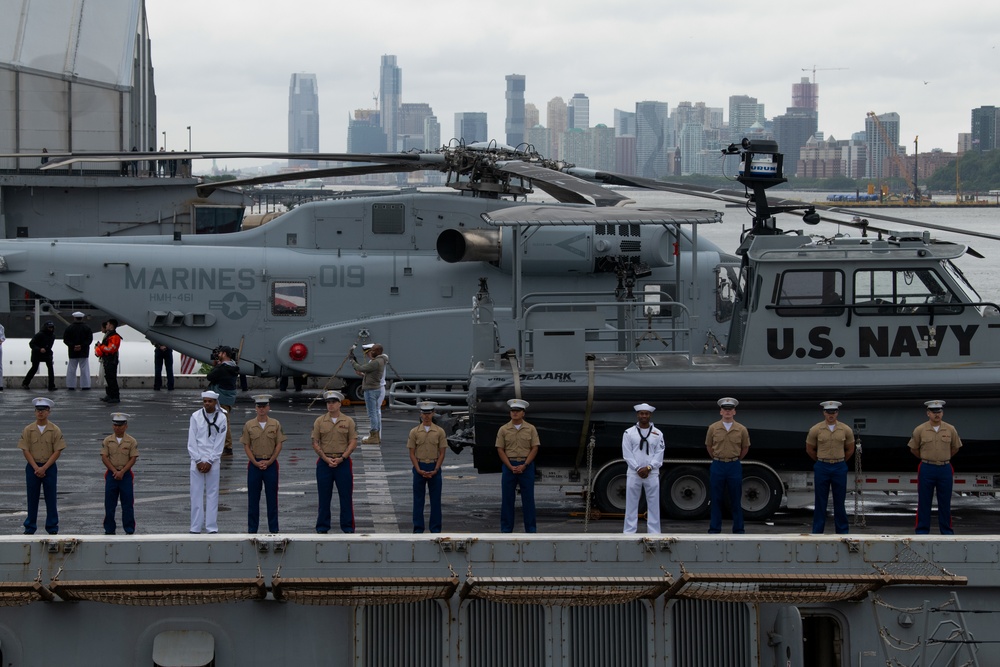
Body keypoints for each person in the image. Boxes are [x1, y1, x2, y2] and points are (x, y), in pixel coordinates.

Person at [908, 400, 963, 534]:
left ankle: (946, 532)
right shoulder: (920, 430)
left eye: (939, 412)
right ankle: (922, 531)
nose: (936, 414)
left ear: (942, 413)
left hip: (944, 468)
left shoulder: (950, 429)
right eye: (933, 412)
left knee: (945, 502)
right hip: (927, 468)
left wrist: (944, 457)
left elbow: (955, 447)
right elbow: (914, 448)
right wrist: (927, 457)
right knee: (924, 501)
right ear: (928, 413)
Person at [805, 400, 856, 534]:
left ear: (837, 413)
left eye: (833, 412)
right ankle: (817, 532)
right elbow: (810, 449)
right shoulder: (816, 429)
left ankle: (842, 532)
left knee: (840, 501)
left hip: (839, 466)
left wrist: (840, 460)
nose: (831, 415)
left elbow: (850, 449)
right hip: (822, 466)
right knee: (820, 501)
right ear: (824, 413)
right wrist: (821, 460)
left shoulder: (845, 429)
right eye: (828, 412)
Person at [311, 390, 358, 533]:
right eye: (328, 402)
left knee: (346, 496)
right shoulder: (320, 421)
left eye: (333, 402)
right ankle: (322, 526)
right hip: (324, 462)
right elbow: (315, 442)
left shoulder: (348, 421)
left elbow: (353, 442)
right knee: (324, 497)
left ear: (339, 404)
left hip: (342, 462)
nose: (330, 405)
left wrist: (342, 458)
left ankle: (348, 527)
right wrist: (325, 459)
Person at [18, 397, 65, 534]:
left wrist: (44, 468)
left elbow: (58, 450)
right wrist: (35, 467)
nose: (40, 413)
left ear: (48, 412)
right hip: (33, 466)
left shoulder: (55, 430)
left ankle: (52, 527)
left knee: (51, 498)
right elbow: (25, 450)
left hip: (49, 467)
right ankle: (30, 527)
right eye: (38, 410)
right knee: (32, 497)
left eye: (43, 410)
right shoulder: (28, 429)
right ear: (35, 412)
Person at [241, 394, 287, 533]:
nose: (261, 409)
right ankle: (252, 530)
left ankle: (274, 529)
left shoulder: (275, 424)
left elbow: (279, 444)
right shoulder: (249, 425)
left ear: (268, 407)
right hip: (254, 464)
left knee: (272, 499)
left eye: (264, 406)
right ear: (255, 408)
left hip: (271, 464)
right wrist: (255, 462)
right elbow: (246, 445)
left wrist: (270, 460)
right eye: (259, 406)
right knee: (253, 499)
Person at [705, 397, 750, 534]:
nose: (727, 412)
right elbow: (709, 446)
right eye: (725, 409)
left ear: (734, 412)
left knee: (735, 499)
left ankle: (738, 529)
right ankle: (714, 529)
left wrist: (735, 459)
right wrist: (717, 458)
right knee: (716, 499)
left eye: (730, 409)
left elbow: (745, 448)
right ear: (721, 411)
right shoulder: (713, 428)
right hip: (718, 464)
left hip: (734, 465)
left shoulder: (741, 429)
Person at [496, 398, 540, 533]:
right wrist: (510, 466)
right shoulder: (503, 429)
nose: (514, 413)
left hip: (526, 466)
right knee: (507, 499)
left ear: (523, 413)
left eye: (518, 411)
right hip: (510, 465)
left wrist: (525, 465)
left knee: (528, 500)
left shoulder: (530, 429)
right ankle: (506, 530)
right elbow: (500, 449)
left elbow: (534, 448)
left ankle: (531, 530)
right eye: (512, 411)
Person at [622, 402, 666, 534]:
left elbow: (660, 452)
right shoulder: (629, 433)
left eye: (646, 414)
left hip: (651, 472)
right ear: (637, 415)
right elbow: (627, 453)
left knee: (653, 503)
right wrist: (637, 468)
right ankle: (629, 532)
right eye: (641, 413)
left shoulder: (658, 433)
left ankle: (654, 532)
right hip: (634, 472)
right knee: (631, 503)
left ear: (650, 415)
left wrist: (649, 467)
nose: (644, 416)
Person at [188, 390, 228, 533]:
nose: (207, 404)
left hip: (214, 460)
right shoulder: (195, 416)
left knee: (213, 494)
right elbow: (191, 440)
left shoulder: (222, 417)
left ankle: (211, 527)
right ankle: (195, 527)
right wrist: (198, 460)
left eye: (210, 401)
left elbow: (220, 442)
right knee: (196, 494)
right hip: (196, 459)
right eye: (205, 401)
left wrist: (210, 461)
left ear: (215, 402)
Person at [407, 401, 448, 533]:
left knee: (435, 501)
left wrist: (436, 469)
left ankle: (435, 529)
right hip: (420, 465)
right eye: (424, 413)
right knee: (418, 500)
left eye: (429, 413)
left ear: (433, 413)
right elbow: (412, 453)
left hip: (434, 465)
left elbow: (442, 453)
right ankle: (418, 529)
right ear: (420, 414)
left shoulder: (439, 431)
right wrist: (418, 469)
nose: (426, 416)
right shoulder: (414, 432)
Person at [101, 412, 138, 535]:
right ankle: (109, 529)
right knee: (109, 504)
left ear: (126, 426)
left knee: (127, 504)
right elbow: (104, 457)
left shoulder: (131, 441)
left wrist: (122, 471)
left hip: (125, 475)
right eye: (115, 425)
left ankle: (129, 529)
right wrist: (114, 471)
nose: (117, 428)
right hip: (111, 474)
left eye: (120, 425)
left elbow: (133, 458)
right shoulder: (108, 440)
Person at [350, 343, 388, 444]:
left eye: (369, 353)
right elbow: (372, 374)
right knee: (376, 412)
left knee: (374, 413)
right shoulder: (381, 360)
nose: (367, 355)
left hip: (374, 388)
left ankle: (375, 435)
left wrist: (352, 361)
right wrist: (363, 374)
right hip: (378, 387)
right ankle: (376, 435)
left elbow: (363, 368)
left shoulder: (375, 362)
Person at [206, 346, 239, 454]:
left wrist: (217, 366)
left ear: (224, 354)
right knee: (224, 421)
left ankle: (227, 447)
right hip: (229, 397)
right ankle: (225, 445)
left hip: (221, 398)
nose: (218, 355)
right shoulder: (233, 366)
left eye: (220, 353)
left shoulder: (222, 368)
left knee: (223, 423)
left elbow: (210, 376)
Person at [22, 321, 57, 391]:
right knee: (34, 368)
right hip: (37, 353)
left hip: (47, 353)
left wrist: (47, 350)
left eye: (52, 328)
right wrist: (39, 349)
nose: (51, 329)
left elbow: (50, 345)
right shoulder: (39, 335)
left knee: (50, 369)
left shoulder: (52, 336)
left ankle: (51, 386)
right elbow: (31, 344)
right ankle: (25, 383)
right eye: (49, 328)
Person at [63, 311, 94, 390]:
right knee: (84, 369)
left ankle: (71, 385)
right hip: (84, 351)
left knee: (71, 369)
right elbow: (89, 340)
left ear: (74, 318)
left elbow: (66, 340)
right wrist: (81, 346)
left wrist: (73, 346)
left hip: (72, 351)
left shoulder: (69, 328)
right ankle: (85, 385)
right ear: (82, 318)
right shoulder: (87, 328)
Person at [95, 318, 122, 403]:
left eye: (107, 324)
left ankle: (115, 396)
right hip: (107, 360)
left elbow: (110, 349)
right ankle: (109, 395)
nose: (106, 326)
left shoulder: (115, 337)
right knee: (108, 378)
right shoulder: (109, 335)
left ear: (111, 325)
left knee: (111, 378)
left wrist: (100, 346)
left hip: (111, 360)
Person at [0, 320, 6, 390]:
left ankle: (0, 384)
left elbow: (3, 337)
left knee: (0, 366)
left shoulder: (1, 327)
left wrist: (1, 340)